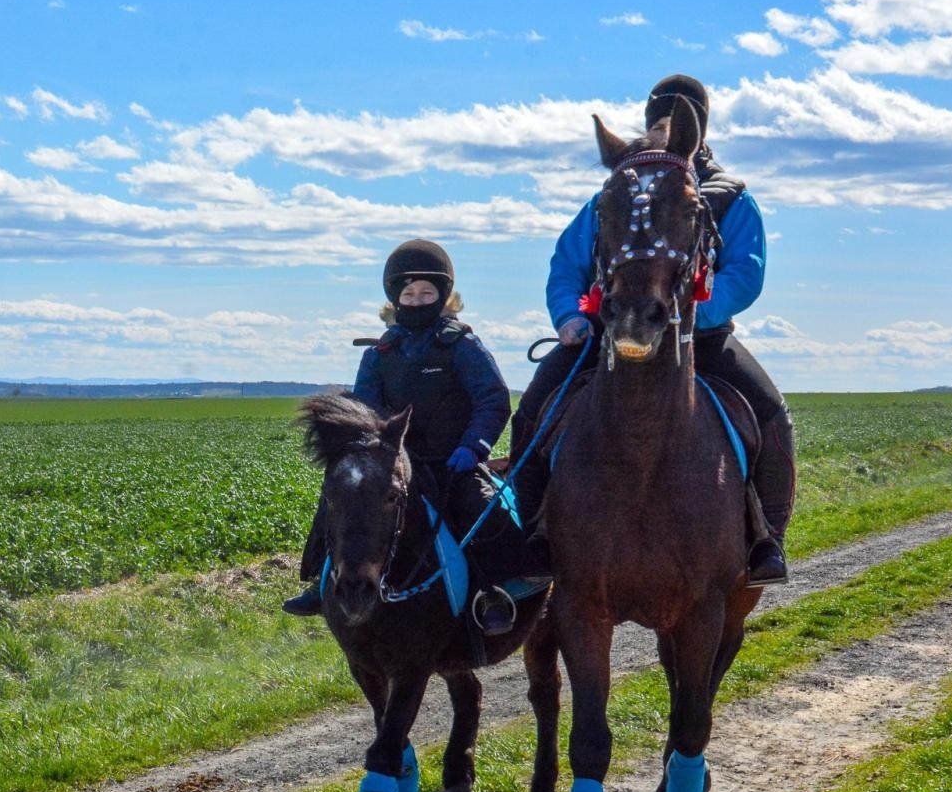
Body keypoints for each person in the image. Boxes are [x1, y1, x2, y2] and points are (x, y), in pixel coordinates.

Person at [510, 74, 796, 587]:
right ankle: (531, 537)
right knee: (533, 408)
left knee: (771, 413)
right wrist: (571, 318)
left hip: (698, 338)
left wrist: (691, 316)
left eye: (674, 122)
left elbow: (744, 274)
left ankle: (764, 537)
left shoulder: (729, 196)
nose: (662, 130)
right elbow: (567, 265)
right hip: (609, 332)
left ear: (694, 129)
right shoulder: (618, 190)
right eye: (656, 121)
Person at [282, 239, 521, 633]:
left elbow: (492, 399)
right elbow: (364, 411)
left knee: (484, 512)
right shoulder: (379, 353)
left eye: (428, 292)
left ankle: (493, 591)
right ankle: (318, 584)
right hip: (392, 464)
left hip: (453, 461)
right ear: (395, 298)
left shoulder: (463, 345)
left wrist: (474, 446)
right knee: (338, 503)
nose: (418, 299)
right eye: (408, 293)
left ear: (444, 297)